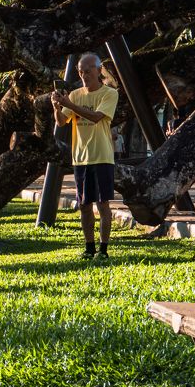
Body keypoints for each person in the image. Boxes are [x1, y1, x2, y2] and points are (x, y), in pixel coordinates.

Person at [51, 53, 119, 259]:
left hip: (101, 156)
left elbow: (97, 117)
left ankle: (103, 249)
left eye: (88, 71)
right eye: (80, 72)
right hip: (80, 157)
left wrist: (69, 105)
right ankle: (89, 248)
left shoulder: (109, 93)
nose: (84, 75)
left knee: (102, 204)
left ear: (98, 71)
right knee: (84, 205)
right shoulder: (75, 94)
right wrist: (56, 107)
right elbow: (62, 121)